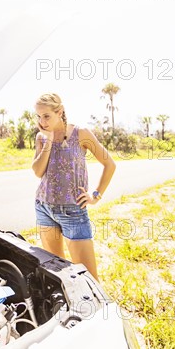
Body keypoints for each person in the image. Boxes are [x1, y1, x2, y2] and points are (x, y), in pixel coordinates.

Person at [31, 93, 116, 282]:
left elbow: (109, 164)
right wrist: (48, 139)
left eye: (46, 116)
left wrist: (96, 195)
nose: (41, 122)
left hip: (73, 211)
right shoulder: (41, 137)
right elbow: (38, 171)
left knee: (89, 280)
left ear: (59, 111)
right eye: (38, 116)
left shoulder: (81, 134)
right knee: (57, 274)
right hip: (44, 208)